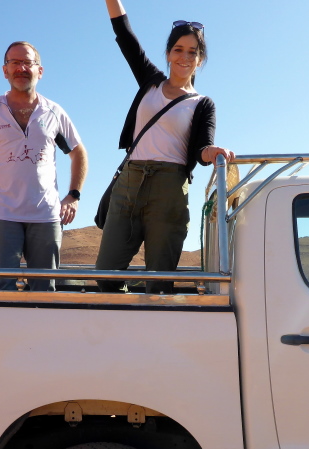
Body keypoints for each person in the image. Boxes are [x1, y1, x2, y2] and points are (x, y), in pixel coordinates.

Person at [95, 0, 235, 294]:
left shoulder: (203, 104)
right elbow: (125, 34)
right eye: (178, 49)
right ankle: (119, 320)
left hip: (169, 188)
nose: (185, 57)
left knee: (159, 282)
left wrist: (211, 153)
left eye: (192, 52)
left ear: (200, 60)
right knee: (106, 274)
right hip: (129, 182)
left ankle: (151, 322)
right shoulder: (150, 81)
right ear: (169, 53)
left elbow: (202, 147)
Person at [0, 42, 88, 292]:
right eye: (14, 63)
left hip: (46, 215)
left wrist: (73, 196)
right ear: (5, 70)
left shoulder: (54, 112)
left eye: (27, 63)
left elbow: (79, 153)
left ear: (39, 71)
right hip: (2, 213)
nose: (21, 68)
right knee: (1, 289)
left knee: (44, 291)